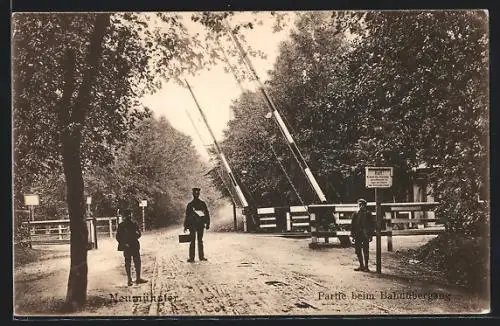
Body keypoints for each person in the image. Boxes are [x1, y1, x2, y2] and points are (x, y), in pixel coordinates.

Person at [116, 209, 148, 286]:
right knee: (129, 262)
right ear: (125, 216)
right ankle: (131, 279)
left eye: (130, 214)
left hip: (133, 245)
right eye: (128, 215)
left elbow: (139, 234)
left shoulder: (133, 224)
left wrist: (137, 234)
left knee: (136, 262)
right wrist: (124, 243)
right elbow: (118, 237)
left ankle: (136, 279)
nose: (129, 216)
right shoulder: (122, 225)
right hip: (129, 246)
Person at [184, 187, 210, 262]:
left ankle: (197, 257)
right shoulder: (190, 205)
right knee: (195, 241)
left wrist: (207, 223)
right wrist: (186, 226)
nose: (196, 194)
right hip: (193, 225)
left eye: (197, 193)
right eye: (195, 193)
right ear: (193, 194)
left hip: (199, 224)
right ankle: (194, 257)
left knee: (198, 240)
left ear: (199, 194)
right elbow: (187, 215)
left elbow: (206, 214)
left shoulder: (201, 204)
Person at [350, 198, 375, 272]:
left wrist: (371, 235)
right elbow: (352, 225)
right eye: (359, 205)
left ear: (365, 205)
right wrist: (352, 235)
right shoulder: (355, 213)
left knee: (366, 250)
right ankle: (361, 265)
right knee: (358, 250)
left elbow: (371, 225)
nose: (361, 206)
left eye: (362, 205)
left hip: (365, 234)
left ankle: (366, 266)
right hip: (357, 234)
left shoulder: (368, 213)